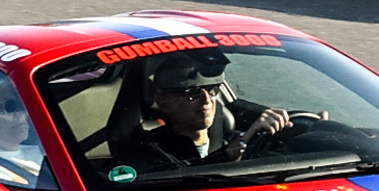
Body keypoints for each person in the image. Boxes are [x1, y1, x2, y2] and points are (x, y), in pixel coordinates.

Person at [119, 50, 295, 173]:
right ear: (164, 103)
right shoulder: (148, 150)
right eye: (193, 93)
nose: (207, 100)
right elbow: (184, 180)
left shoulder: (231, 137)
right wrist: (228, 154)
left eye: (212, 90)